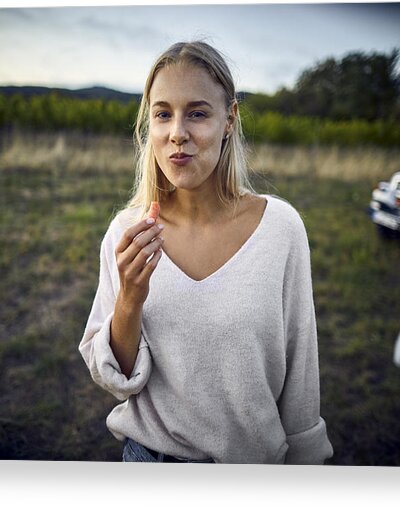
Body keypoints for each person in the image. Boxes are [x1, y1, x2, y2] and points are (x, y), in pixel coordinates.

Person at [79, 41, 333, 464]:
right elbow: (117, 381)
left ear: (229, 119)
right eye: (163, 114)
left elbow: (302, 379)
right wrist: (130, 298)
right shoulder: (127, 233)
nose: (177, 132)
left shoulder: (281, 230)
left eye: (196, 113)